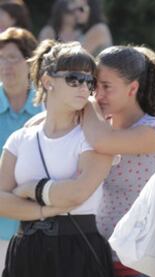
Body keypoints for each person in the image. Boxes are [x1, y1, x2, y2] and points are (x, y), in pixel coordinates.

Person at [0, 39, 115, 277]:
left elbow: (77, 193)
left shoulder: (96, 137)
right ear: (47, 81)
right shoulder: (20, 138)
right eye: (74, 78)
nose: (84, 87)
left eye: (89, 81)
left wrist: (29, 189)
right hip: (26, 249)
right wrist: (46, 211)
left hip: (78, 248)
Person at [82, 45, 155, 277]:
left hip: (136, 260)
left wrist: (85, 102)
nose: (98, 94)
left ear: (133, 88)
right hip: (94, 254)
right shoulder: (98, 126)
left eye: (106, 86)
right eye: (94, 85)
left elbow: (104, 142)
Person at [0, 27, 40, 261]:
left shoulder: (49, 107)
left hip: (39, 227)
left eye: (13, 58)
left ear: (30, 61)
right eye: (0, 58)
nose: (5, 65)